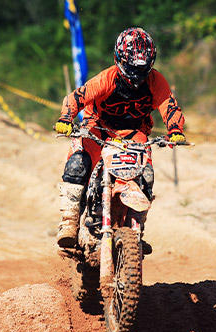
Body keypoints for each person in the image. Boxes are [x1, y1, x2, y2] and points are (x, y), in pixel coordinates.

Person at [55, 27, 187, 249]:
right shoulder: (107, 78)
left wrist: (175, 130)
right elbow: (77, 97)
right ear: (119, 60)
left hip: (134, 132)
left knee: (146, 175)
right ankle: (69, 222)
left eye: (142, 69)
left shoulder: (155, 80)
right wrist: (65, 118)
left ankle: (137, 229)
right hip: (98, 127)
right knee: (78, 163)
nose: (136, 75)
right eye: (132, 68)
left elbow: (169, 105)